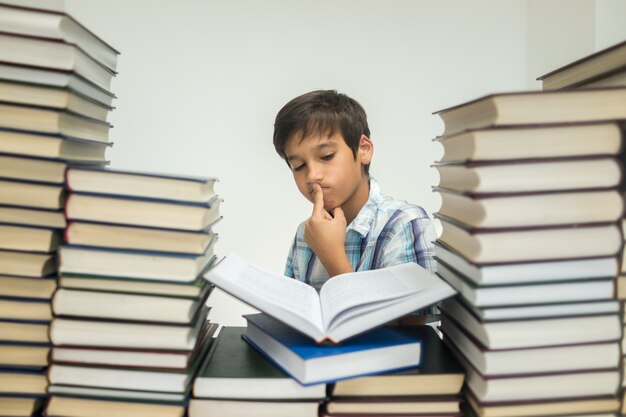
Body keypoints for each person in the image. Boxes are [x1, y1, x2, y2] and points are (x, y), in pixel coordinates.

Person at [272, 89, 438, 324]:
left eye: (327, 156)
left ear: (363, 150)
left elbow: (411, 331)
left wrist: (332, 256)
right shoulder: (306, 233)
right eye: (298, 166)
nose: (313, 175)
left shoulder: (404, 223)